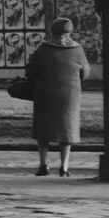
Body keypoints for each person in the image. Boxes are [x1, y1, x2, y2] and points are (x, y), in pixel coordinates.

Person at [27, 17, 91, 177]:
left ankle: (44, 164)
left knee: (44, 129)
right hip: (70, 95)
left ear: (52, 31)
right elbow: (85, 72)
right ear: (70, 31)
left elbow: (30, 71)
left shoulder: (43, 49)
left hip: (46, 93)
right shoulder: (77, 50)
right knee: (66, 129)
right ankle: (64, 166)